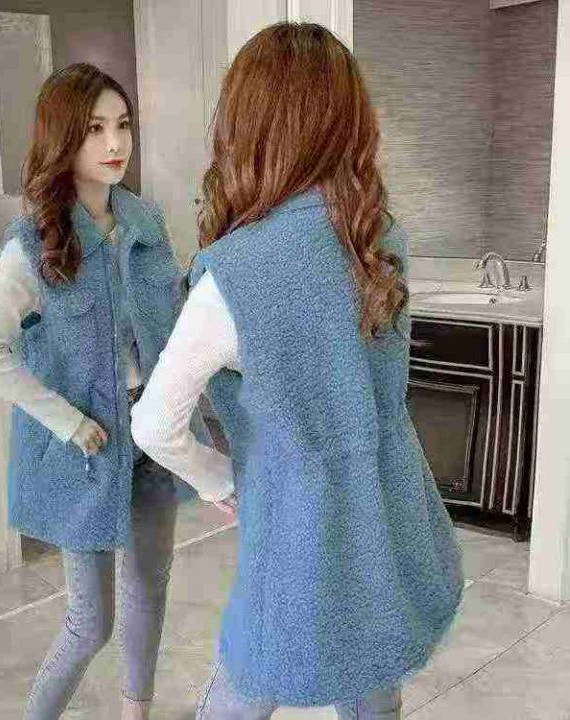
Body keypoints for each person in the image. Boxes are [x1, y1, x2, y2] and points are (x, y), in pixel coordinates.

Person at [131, 23, 463, 720]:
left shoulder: (234, 275)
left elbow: (154, 424)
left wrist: (220, 479)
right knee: (372, 667)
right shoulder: (379, 238)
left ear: (246, 125)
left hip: (299, 527)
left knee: (253, 676)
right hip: (386, 505)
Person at [0, 63, 208, 720]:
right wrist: (66, 421)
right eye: (95, 128)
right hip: (87, 449)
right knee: (89, 623)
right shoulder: (35, 245)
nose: (114, 143)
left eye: (122, 125)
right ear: (64, 136)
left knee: (150, 590)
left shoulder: (147, 223)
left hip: (152, 431)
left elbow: (176, 323)